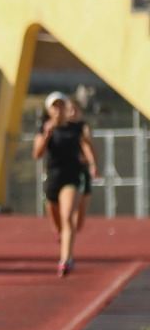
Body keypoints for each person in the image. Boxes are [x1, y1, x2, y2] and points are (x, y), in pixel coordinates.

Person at [33, 91, 96, 276]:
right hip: (53, 178)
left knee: (68, 216)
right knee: (58, 224)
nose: (58, 109)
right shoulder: (44, 129)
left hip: (72, 177)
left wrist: (92, 164)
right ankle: (64, 240)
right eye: (55, 106)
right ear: (49, 110)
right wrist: (46, 135)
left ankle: (65, 260)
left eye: (61, 105)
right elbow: (37, 154)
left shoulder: (76, 128)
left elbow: (86, 146)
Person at [67, 94, 98, 234]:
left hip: (81, 169)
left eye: (75, 109)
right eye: (70, 109)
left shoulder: (82, 127)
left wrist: (93, 164)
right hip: (65, 171)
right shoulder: (59, 128)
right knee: (67, 208)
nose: (72, 113)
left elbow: (87, 146)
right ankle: (66, 230)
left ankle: (73, 230)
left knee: (81, 209)